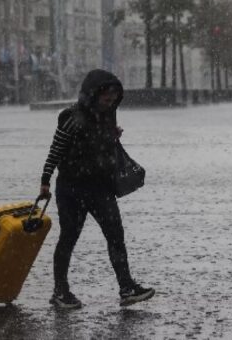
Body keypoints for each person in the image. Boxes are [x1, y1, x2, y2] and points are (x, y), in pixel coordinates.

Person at [40, 69, 155, 309]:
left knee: (116, 235)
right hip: (72, 189)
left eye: (114, 98)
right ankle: (60, 291)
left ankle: (126, 287)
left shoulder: (107, 116)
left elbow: (99, 148)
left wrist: (111, 136)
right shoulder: (71, 117)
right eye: (106, 97)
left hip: (101, 187)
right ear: (93, 94)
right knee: (69, 238)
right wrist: (45, 181)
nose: (110, 102)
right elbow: (56, 150)